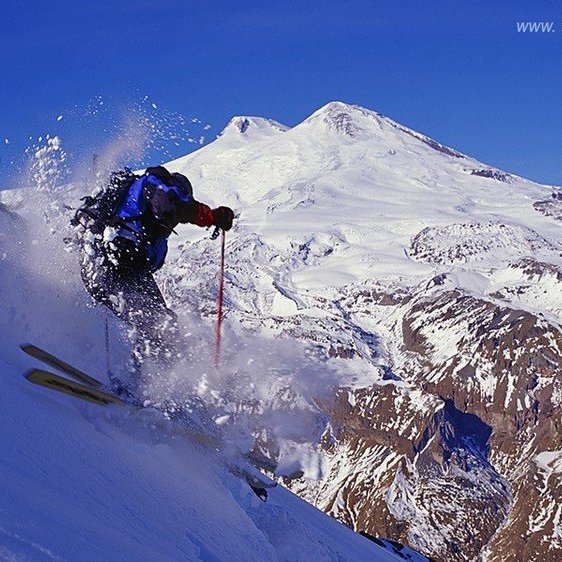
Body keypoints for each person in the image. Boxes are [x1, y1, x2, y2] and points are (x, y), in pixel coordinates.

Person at [75, 165, 234, 381]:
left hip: (115, 267)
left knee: (160, 325)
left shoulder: (143, 214)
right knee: (156, 324)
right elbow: (175, 205)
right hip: (115, 264)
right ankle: (132, 383)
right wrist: (212, 216)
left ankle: (157, 384)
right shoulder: (157, 186)